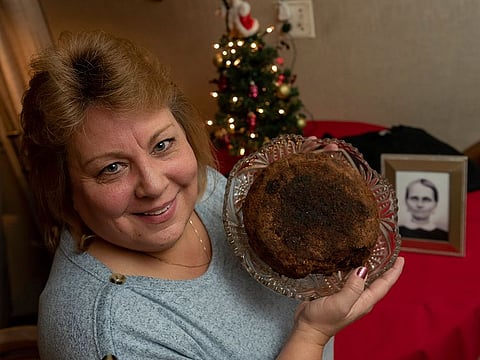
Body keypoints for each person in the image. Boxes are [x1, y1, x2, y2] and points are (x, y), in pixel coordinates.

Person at [20, 30, 404, 359]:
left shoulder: (202, 188)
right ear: (63, 187)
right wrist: (312, 335)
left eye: (162, 144)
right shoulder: (105, 333)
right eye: (111, 168)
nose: (154, 185)